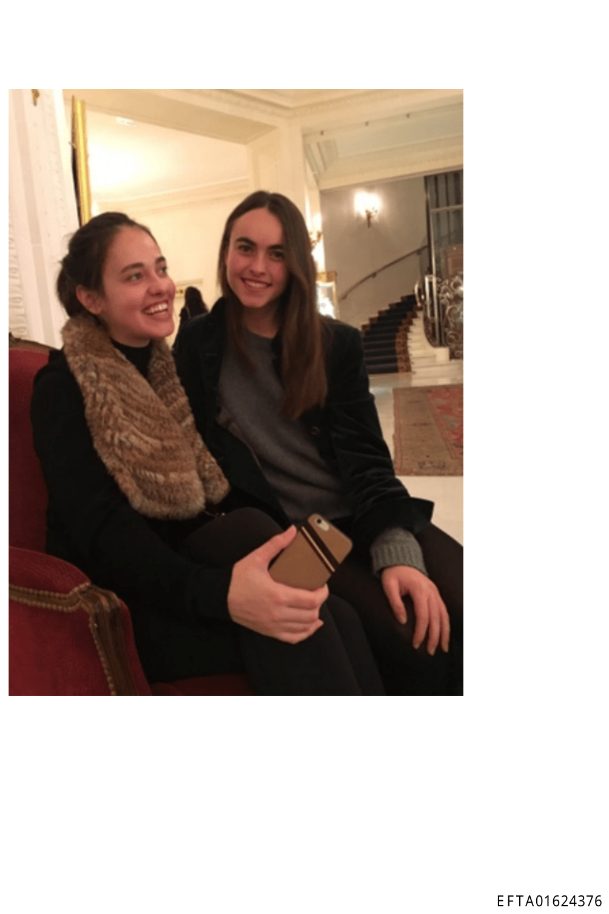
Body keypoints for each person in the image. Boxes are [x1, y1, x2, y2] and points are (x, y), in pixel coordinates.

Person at [30, 211, 386, 695]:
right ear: (90, 299)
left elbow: (207, 492)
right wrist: (223, 594)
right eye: (134, 276)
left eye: (160, 268)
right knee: (299, 625)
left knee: (335, 610)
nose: (161, 286)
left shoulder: (164, 370)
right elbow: (103, 532)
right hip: (126, 597)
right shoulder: (63, 385)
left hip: (184, 570)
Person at [173, 191, 463, 695]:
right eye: (245, 248)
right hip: (297, 535)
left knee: (461, 599)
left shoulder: (335, 344)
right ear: (226, 252)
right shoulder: (198, 345)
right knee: (416, 637)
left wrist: (396, 550)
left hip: (362, 512)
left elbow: (369, 461)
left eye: (277, 253)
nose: (257, 267)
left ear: (296, 266)